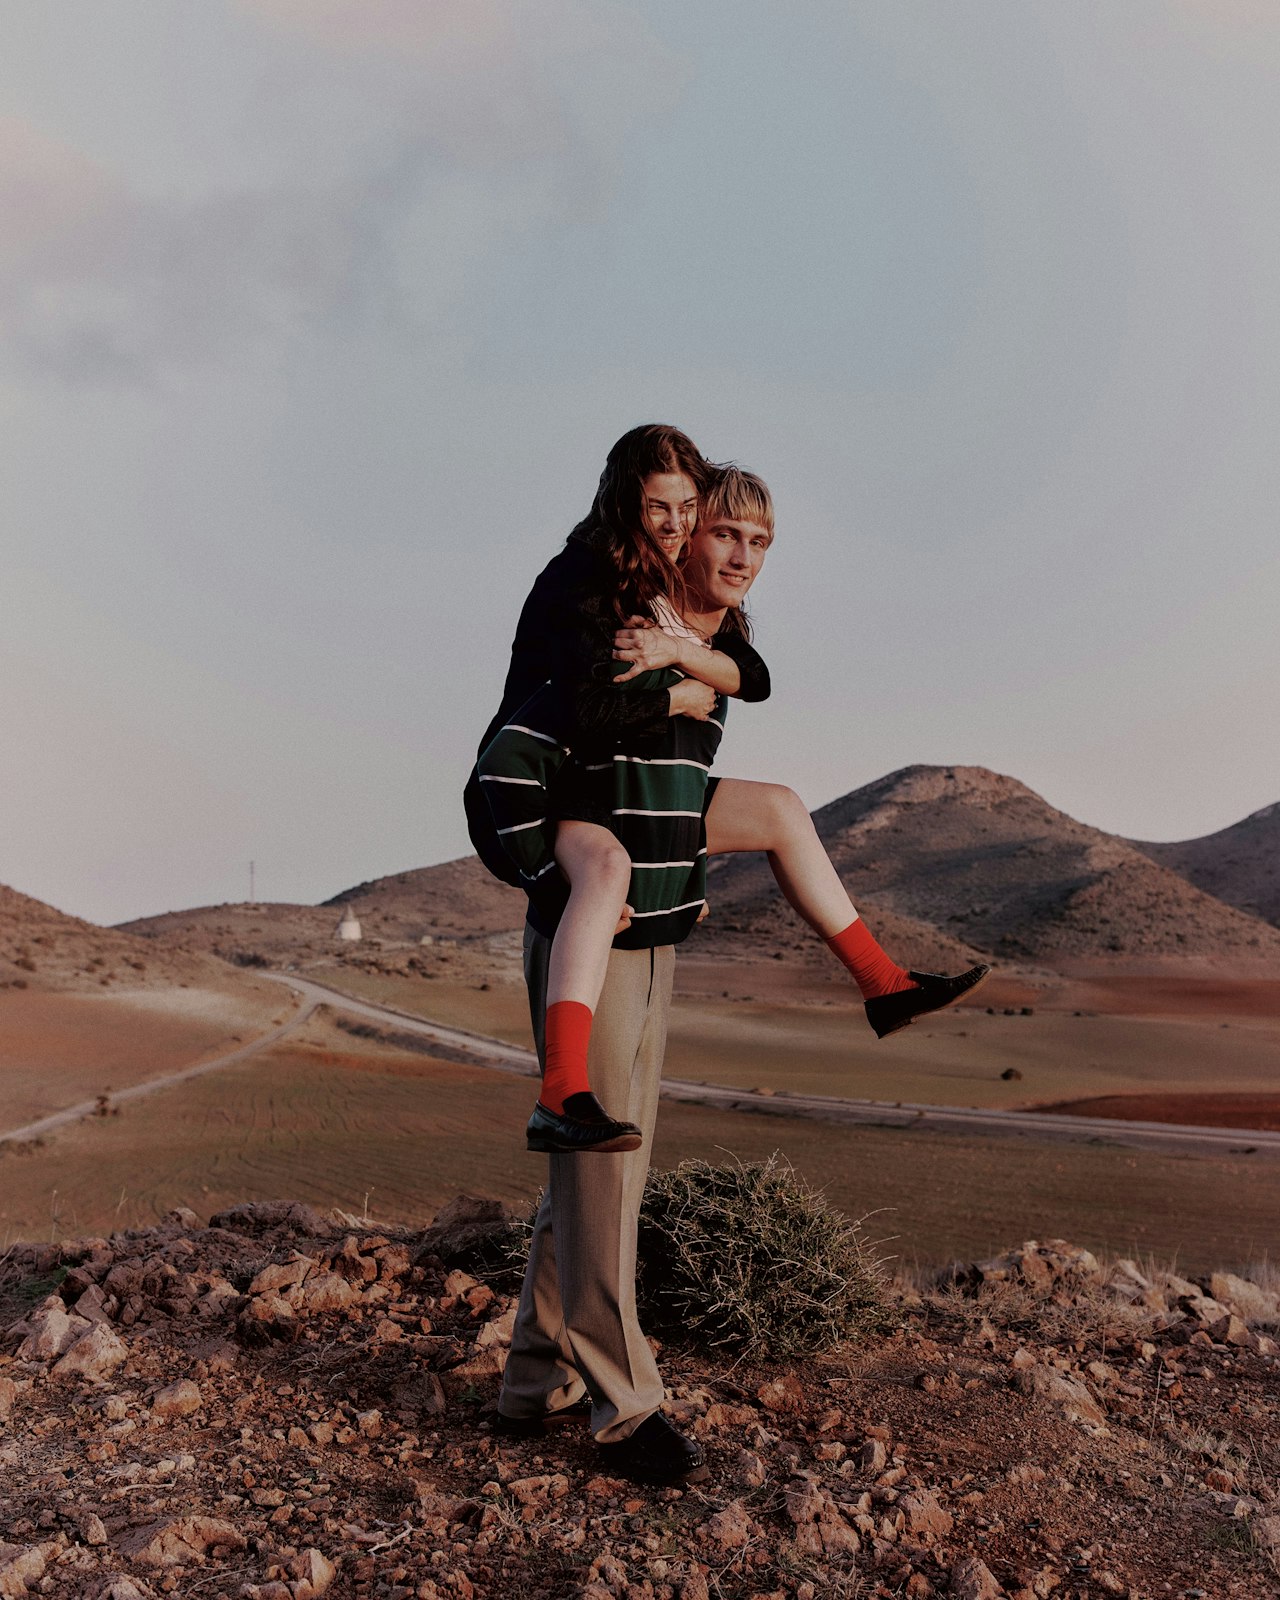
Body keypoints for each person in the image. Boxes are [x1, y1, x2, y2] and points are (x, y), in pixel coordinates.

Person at [472, 448, 990, 1157]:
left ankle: (883, 982)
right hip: (592, 865)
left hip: (652, 896)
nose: (744, 557)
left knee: (780, 807)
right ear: (686, 540)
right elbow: (542, 741)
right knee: (600, 1177)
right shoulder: (628, 622)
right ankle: (557, 1090)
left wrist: (688, 868)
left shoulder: (721, 640)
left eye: (760, 542)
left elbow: (711, 731)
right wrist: (542, 868)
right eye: (725, 535)